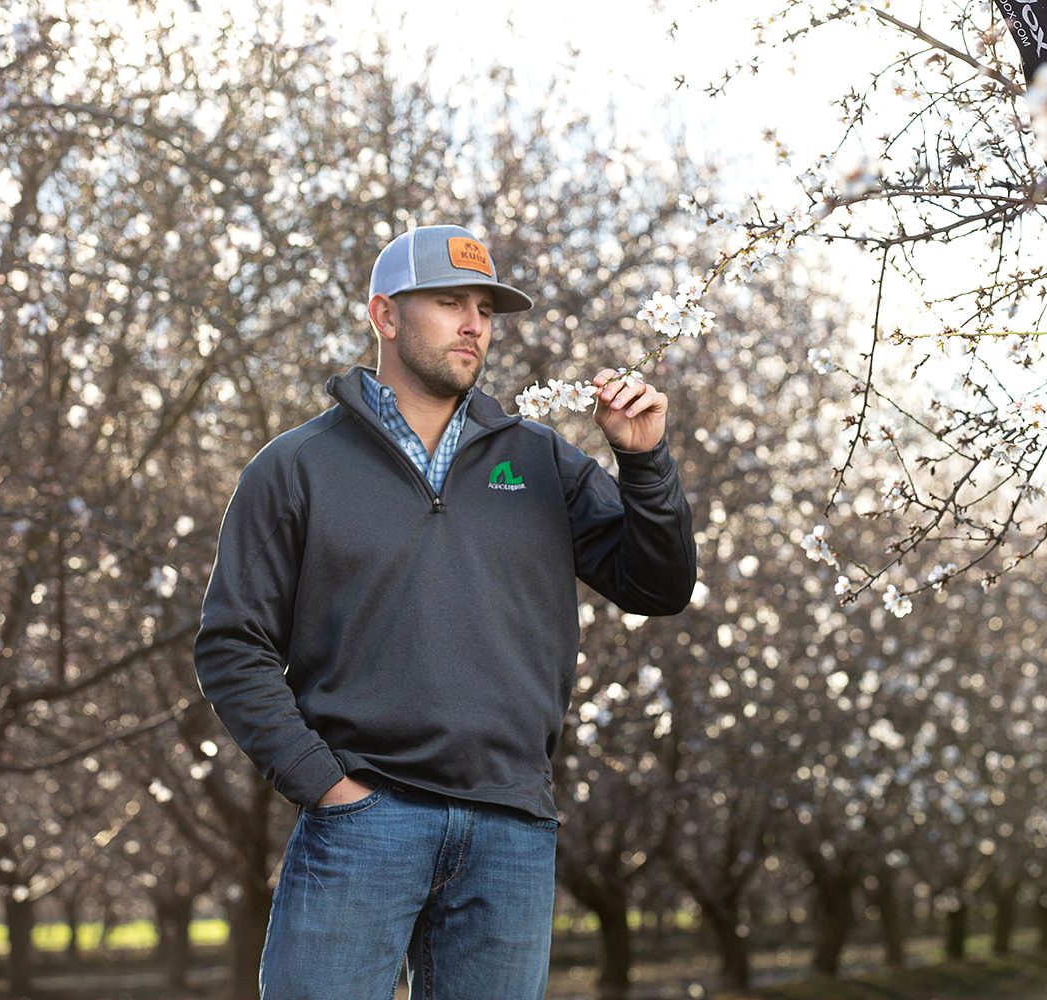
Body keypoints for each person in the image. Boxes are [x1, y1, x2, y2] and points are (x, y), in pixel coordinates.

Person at [192, 224, 697, 999]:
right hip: (362, 820)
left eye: (486, 310)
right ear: (385, 316)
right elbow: (232, 644)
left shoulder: (540, 461)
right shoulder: (294, 468)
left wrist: (644, 461)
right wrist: (324, 785)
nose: (474, 324)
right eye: (449, 302)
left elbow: (658, 587)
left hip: (510, 825)